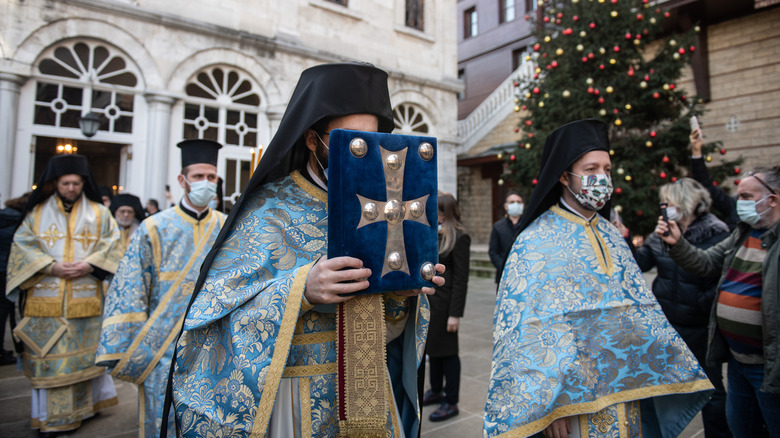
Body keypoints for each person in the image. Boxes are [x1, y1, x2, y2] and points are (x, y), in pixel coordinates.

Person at [168, 63, 445, 438]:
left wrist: (405, 292)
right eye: (348, 139)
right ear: (313, 140)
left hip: (371, 392)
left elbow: (391, 327)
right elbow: (210, 319)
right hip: (290, 398)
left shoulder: (392, 205)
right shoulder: (268, 209)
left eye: (373, 140)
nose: (361, 152)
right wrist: (302, 289)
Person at [483, 119, 713, 438]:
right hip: (572, 401)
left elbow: (640, 308)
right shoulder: (535, 242)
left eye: (607, 169)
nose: (602, 178)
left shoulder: (613, 236)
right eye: (591, 170)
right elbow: (524, 331)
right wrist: (549, 407)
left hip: (623, 389)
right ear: (565, 175)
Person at [96, 140, 226, 438]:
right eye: (198, 177)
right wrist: (127, 343)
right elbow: (131, 288)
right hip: (162, 346)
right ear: (182, 180)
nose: (206, 183)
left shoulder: (226, 226)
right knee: (161, 417)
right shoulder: (153, 227)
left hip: (211, 343)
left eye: (211, 177)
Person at [656, 166, 780, 438]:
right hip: (738, 363)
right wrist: (677, 244)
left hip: (769, 368)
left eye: (747, 196)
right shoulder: (743, 233)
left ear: (773, 199)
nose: (740, 203)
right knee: (742, 429)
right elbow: (706, 262)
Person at [6, 154, 123, 436]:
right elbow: (22, 247)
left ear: (83, 183)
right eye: (65, 183)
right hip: (46, 301)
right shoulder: (37, 213)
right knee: (49, 362)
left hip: (86, 301)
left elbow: (113, 244)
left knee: (81, 360)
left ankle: (86, 409)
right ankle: (49, 417)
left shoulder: (98, 212)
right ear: (55, 183)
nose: (70, 188)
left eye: (75, 183)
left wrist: (90, 264)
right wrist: (51, 266)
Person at [632, 178, 732, 438]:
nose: (665, 207)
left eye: (669, 202)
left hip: (699, 325)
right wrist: (624, 238)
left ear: (686, 201)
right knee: (659, 386)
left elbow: (720, 278)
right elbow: (640, 263)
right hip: (667, 323)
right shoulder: (660, 234)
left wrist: (701, 302)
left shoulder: (715, 233)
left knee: (711, 390)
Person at [422, 192, 470, 422]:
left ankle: (451, 401)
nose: (437, 215)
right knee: (433, 350)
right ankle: (436, 390)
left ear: (446, 212)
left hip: (447, 304)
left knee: (449, 353)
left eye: (440, 211)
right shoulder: (433, 233)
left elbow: (461, 279)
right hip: (432, 303)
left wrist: (455, 314)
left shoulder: (459, 237)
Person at [689, 124, 739, 230]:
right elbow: (705, 186)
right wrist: (696, 151)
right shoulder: (735, 208)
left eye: (748, 195)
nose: (743, 200)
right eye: (742, 195)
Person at [0, 192, 30, 366]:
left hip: (5, 268)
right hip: (8, 270)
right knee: (5, 309)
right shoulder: (19, 223)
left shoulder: (3, 216)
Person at [488, 191, 523, 286]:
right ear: (506, 206)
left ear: (523, 205)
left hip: (524, 276)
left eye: (518, 202)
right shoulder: (498, 226)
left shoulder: (528, 225)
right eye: (512, 202)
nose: (515, 204)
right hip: (503, 275)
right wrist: (504, 267)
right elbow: (493, 251)